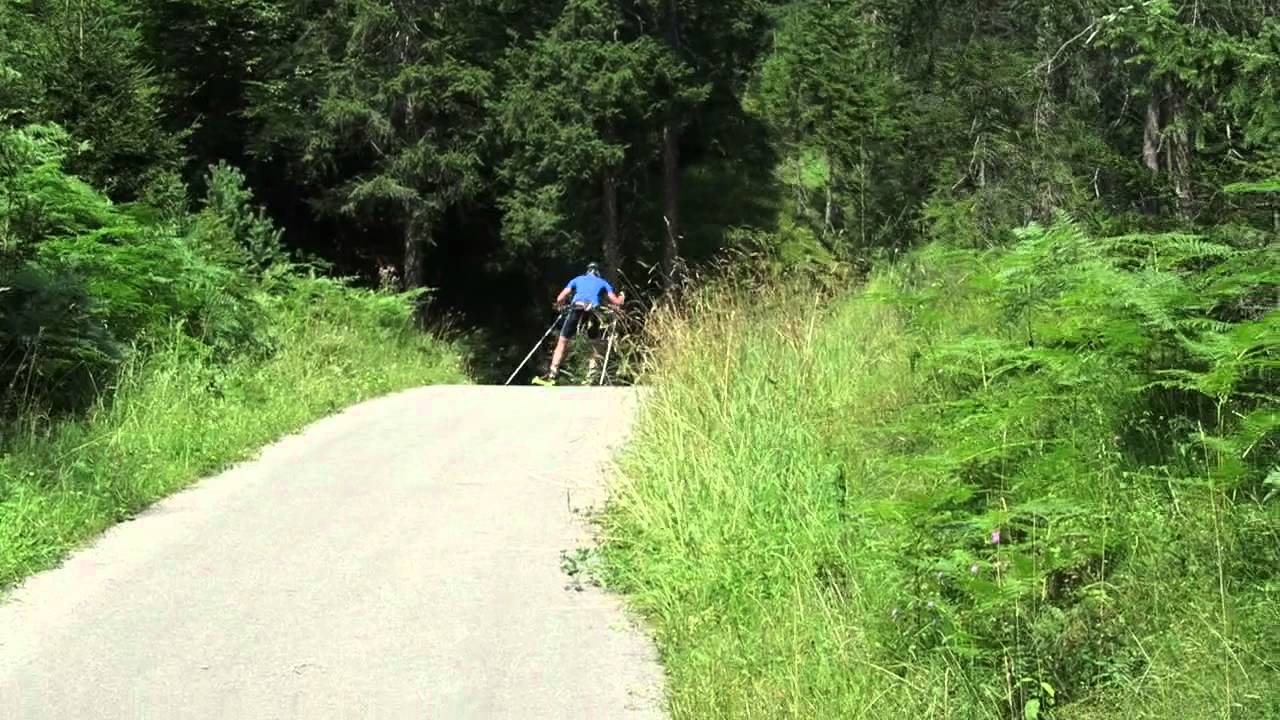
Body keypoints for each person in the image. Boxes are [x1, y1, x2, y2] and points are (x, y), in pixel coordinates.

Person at [535, 262, 624, 385]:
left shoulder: (577, 279)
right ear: (597, 272)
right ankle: (591, 375)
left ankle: (553, 373)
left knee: (562, 341)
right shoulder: (603, 282)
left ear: (587, 271)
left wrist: (562, 305)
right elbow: (616, 302)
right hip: (593, 311)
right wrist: (622, 297)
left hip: (576, 309)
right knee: (594, 343)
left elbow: (560, 298)